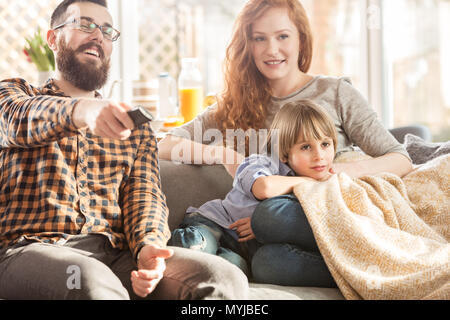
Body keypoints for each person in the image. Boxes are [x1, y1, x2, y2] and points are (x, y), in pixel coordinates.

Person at [0, 0, 248, 300]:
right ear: (53, 39)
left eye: (106, 30)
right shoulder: (15, 95)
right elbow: (15, 119)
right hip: (29, 251)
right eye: (85, 24)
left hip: (114, 254)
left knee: (223, 278)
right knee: (88, 279)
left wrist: (147, 247)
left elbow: (144, 195)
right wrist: (83, 111)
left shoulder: (134, 127)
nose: (98, 36)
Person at [158, 0, 413, 180]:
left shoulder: (336, 93)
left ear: (301, 40)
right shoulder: (235, 104)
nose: (271, 49)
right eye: (260, 39)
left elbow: (400, 159)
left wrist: (343, 172)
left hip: (336, 212)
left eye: (282, 36)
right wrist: (222, 154)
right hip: (272, 223)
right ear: (248, 46)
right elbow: (163, 145)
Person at [170, 100, 338, 287]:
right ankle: (180, 247)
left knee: (233, 270)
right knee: (196, 246)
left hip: (246, 251)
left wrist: (261, 229)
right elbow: (264, 188)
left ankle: (342, 274)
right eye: (306, 147)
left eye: (325, 144)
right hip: (217, 224)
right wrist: (311, 181)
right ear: (283, 153)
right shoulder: (261, 163)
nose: (319, 156)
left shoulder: (328, 186)